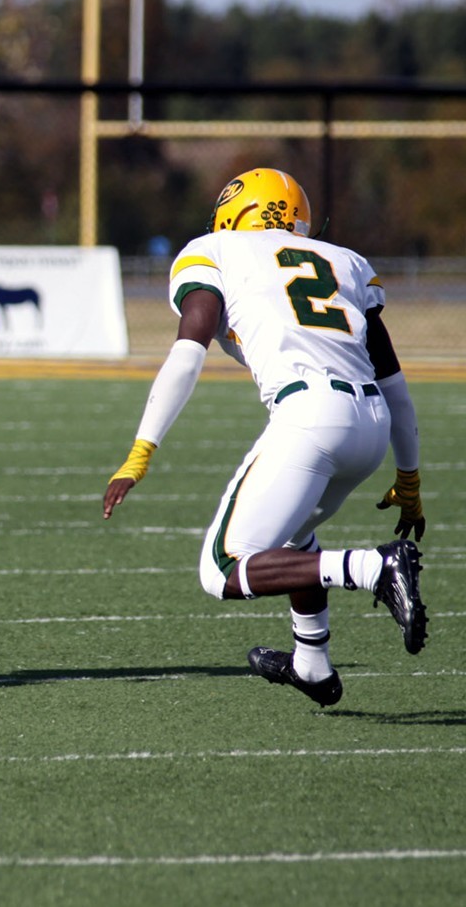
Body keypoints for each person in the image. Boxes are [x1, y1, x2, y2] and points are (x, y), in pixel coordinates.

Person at [102, 167, 428, 707]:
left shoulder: (216, 250)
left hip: (309, 414)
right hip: (370, 428)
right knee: (292, 534)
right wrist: (409, 475)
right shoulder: (345, 262)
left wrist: (142, 449)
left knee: (223, 568)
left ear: (236, 210)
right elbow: (393, 383)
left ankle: (371, 567)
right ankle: (312, 663)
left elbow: (189, 353)